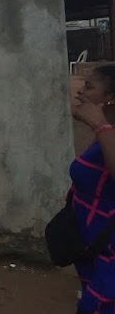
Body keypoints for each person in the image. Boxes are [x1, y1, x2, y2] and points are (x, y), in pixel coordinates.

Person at [70, 65, 115, 314]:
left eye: (89, 87)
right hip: (94, 246)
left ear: (110, 99)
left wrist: (98, 122)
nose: (80, 93)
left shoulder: (106, 131)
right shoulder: (105, 133)